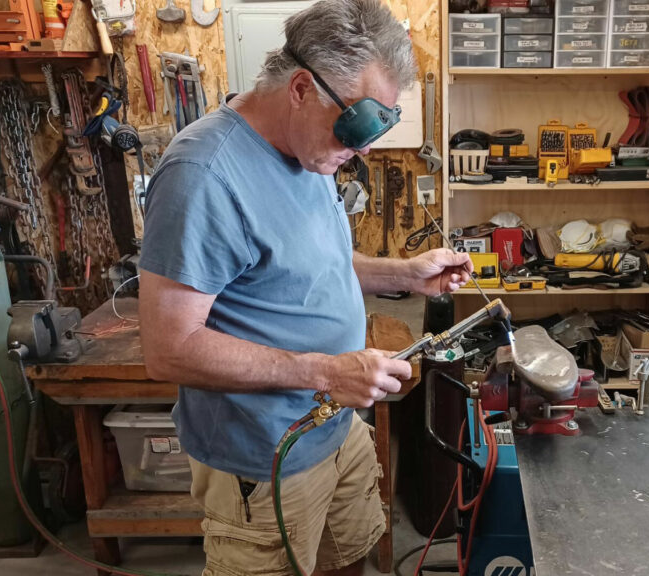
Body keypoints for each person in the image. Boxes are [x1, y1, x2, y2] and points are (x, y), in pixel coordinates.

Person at [138, 1, 472, 574]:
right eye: (361, 125)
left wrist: (404, 273)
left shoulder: (310, 151)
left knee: (351, 560)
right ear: (300, 89)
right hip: (267, 459)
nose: (365, 148)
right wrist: (325, 372)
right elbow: (169, 349)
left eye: (382, 125)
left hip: (335, 431)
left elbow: (316, 265)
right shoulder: (204, 176)